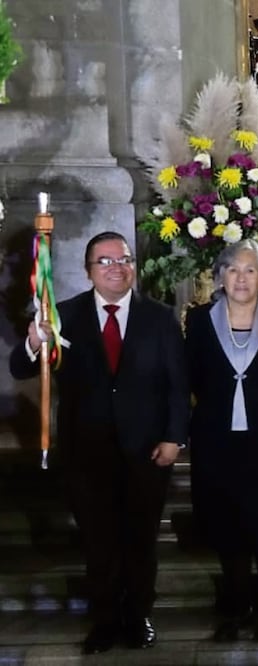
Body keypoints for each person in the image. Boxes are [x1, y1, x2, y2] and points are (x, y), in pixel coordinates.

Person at [9, 231, 188, 655]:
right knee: (99, 542)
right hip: (86, 453)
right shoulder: (63, 316)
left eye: (123, 259)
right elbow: (19, 367)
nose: (116, 268)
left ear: (133, 266)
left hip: (146, 452)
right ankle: (105, 620)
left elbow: (179, 385)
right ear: (88, 270)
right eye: (104, 261)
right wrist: (35, 340)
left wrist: (174, 438)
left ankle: (138, 615)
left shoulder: (160, 317)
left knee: (140, 540)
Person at [185, 240, 258, 644]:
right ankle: (235, 609)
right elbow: (191, 376)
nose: (241, 278)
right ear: (219, 277)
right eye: (232, 269)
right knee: (226, 526)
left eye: (251, 270)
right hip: (217, 441)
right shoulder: (199, 320)